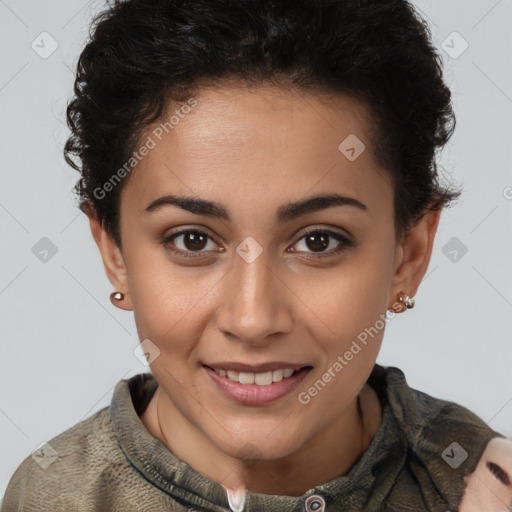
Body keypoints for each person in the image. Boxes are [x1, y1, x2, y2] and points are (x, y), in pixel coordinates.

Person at [2, 0, 511, 511]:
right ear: (114, 252)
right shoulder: (48, 498)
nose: (252, 320)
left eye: (318, 240)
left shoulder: (486, 488)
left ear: (409, 255)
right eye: (192, 240)